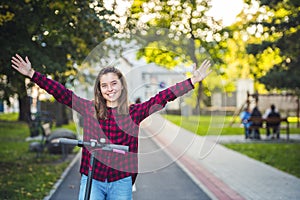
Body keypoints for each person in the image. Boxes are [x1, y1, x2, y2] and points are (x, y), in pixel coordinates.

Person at [11, 54, 212, 200]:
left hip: (121, 180)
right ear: (99, 89)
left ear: (122, 85)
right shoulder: (90, 109)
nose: (110, 89)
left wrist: (192, 81)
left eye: (114, 84)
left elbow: (163, 97)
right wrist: (32, 74)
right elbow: (62, 93)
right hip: (92, 177)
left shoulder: (135, 112)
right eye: (104, 85)